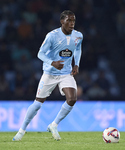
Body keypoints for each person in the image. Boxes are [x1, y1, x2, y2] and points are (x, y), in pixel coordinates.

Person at [13, 10, 83, 141]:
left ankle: (54, 125)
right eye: (69, 20)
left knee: (72, 99)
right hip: (50, 73)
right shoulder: (52, 36)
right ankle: (21, 131)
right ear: (62, 21)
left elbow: (78, 48)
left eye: (73, 20)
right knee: (38, 103)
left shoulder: (78, 35)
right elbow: (40, 54)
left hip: (66, 73)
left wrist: (76, 64)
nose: (72, 23)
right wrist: (53, 63)